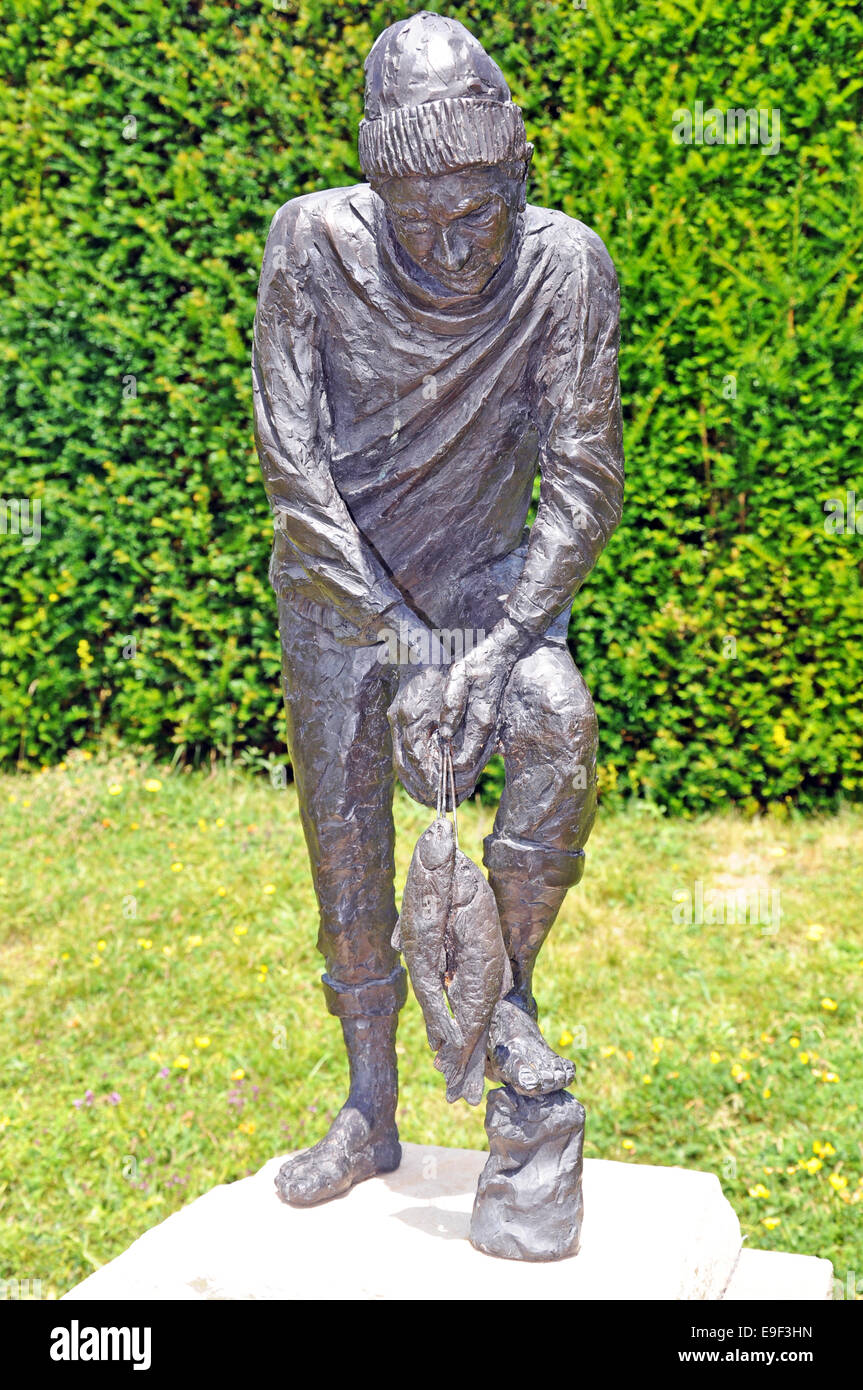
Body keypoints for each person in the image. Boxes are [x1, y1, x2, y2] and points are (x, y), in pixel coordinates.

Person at [253, 11, 624, 1207]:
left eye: (482, 209)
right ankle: (368, 1103)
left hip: (485, 606)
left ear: (517, 170)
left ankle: (500, 1001)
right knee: (347, 855)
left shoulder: (562, 266)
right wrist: (397, 646)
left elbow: (582, 477)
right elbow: (291, 465)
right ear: (377, 191)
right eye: (425, 220)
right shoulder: (310, 247)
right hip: (337, 599)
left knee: (558, 728)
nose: (460, 246)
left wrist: (500, 643)